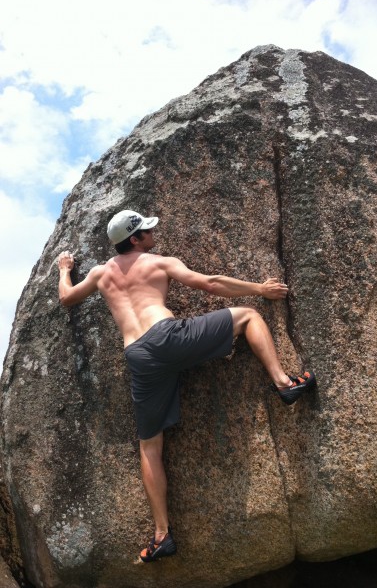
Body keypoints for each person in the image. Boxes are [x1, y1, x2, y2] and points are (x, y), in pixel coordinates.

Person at [58, 209, 316, 562]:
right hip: (169, 337)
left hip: (138, 355)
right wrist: (260, 289)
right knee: (249, 316)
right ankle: (284, 383)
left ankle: (162, 534)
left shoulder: (101, 274)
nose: (152, 233)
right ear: (135, 240)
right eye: (146, 231)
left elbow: (66, 298)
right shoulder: (157, 262)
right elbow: (209, 283)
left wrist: (63, 269)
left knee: (149, 446)